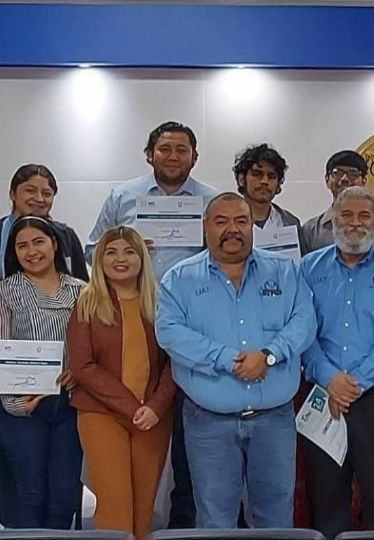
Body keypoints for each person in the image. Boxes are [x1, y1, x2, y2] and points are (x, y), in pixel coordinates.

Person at [85, 121, 219, 528]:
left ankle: (184, 522)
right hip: (131, 317)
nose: (173, 156)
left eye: (182, 150)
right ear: (149, 154)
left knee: (189, 439)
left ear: (194, 157)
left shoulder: (212, 201)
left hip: (196, 325)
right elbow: (93, 248)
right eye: (165, 149)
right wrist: (133, 249)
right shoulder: (123, 196)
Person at [155, 193, 317, 528]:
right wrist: (229, 360)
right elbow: (170, 333)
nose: (233, 229)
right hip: (208, 423)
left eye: (241, 221)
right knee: (215, 518)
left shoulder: (285, 272)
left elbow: (304, 322)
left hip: (274, 420)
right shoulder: (179, 278)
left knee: (275, 516)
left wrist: (269, 356)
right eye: (222, 221)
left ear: (252, 226)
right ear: (205, 227)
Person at [300, 186, 374, 539]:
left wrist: (356, 382)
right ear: (333, 218)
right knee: (327, 498)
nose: (355, 223)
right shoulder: (307, 267)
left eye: (364, 216)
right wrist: (330, 378)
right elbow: (302, 331)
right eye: (346, 215)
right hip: (323, 394)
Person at [68, 226, 177, 540]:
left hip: (153, 417)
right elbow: (83, 366)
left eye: (129, 251)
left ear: (142, 257)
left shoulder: (160, 304)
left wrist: (155, 407)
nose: (120, 259)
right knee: (115, 506)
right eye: (111, 252)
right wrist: (134, 407)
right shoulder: (87, 303)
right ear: (99, 260)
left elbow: (174, 361)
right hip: (101, 415)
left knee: (145, 509)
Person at [0, 216, 84, 529]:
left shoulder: (83, 292)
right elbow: (2, 351)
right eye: (22, 245)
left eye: (38, 242)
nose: (31, 251)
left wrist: (79, 371)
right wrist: (17, 404)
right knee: (29, 492)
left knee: (65, 493)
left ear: (55, 245)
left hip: (71, 405)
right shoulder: (5, 292)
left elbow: (94, 349)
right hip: (23, 409)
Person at [0, 164, 88, 280]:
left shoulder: (66, 235)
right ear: (12, 194)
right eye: (30, 191)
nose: (39, 199)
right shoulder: (2, 231)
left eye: (46, 194)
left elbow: (83, 285)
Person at [301, 150, 374, 254]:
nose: (344, 179)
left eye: (353, 173)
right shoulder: (310, 230)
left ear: (364, 180)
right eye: (337, 173)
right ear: (327, 180)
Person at [234, 143, 306, 250]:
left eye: (271, 176)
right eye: (257, 174)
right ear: (241, 179)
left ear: (279, 183)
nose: (264, 181)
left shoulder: (291, 222)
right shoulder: (223, 222)